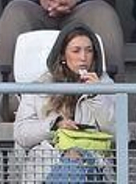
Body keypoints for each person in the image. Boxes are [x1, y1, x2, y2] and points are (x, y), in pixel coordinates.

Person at [11, 23, 116, 184]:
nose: (83, 57)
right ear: (62, 56)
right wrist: (54, 126)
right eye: (76, 51)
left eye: (89, 51)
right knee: (70, 165)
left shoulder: (106, 86)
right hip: (47, 163)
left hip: (93, 163)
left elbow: (119, 134)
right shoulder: (39, 87)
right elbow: (21, 134)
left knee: (74, 162)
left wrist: (96, 95)